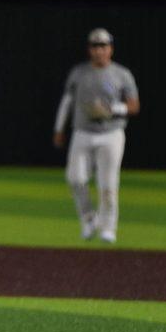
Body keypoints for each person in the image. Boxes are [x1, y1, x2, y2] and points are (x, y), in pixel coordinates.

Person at [52, 28, 140, 244]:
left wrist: (113, 110)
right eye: (95, 46)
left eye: (103, 46)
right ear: (89, 49)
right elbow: (67, 102)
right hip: (82, 132)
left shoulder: (121, 74)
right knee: (75, 178)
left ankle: (108, 228)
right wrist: (59, 129)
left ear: (111, 49)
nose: (99, 51)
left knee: (108, 184)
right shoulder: (79, 73)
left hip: (111, 133)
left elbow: (134, 106)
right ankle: (89, 218)